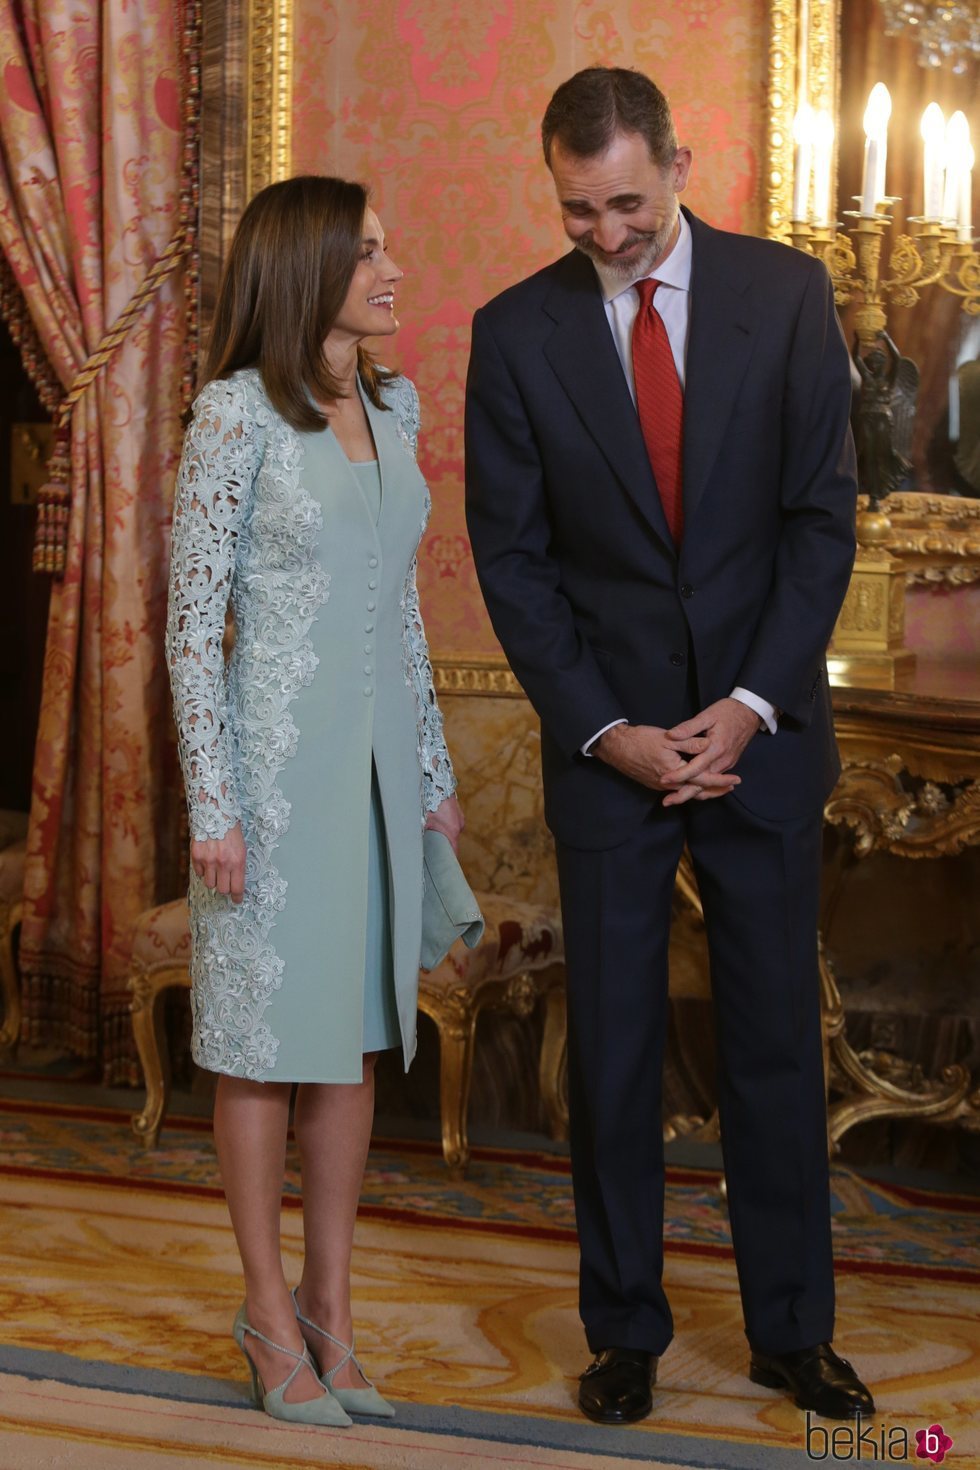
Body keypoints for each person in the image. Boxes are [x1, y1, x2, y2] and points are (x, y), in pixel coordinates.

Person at [465, 67, 872, 1426]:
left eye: (627, 202)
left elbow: (821, 521)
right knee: (619, 1051)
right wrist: (610, 730)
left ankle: (792, 1332)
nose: (605, 232)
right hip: (612, 753)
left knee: (770, 1047)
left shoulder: (788, 294)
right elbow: (514, 565)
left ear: (680, 166)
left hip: (759, 739)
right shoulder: (514, 334)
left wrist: (751, 703)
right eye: (578, 210)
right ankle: (624, 1326)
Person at [166, 175, 462, 1427]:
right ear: (310, 273)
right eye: (371, 255)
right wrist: (213, 807)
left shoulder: (390, 405)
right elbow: (191, 627)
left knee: (349, 1044)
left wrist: (435, 778)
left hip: (380, 774)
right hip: (274, 786)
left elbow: (400, 611)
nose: (394, 272)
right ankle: (265, 1314)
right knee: (261, 1052)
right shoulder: (234, 417)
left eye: (390, 251)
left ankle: (333, 1314)